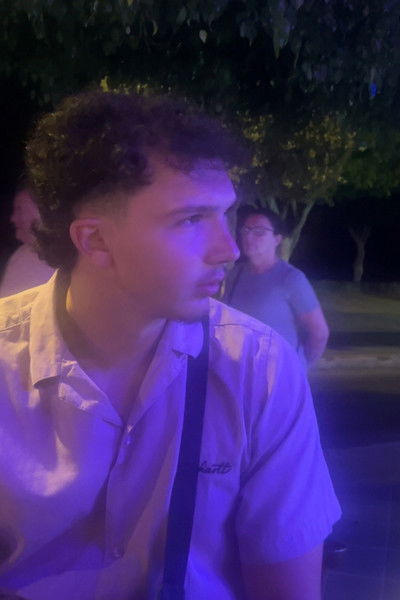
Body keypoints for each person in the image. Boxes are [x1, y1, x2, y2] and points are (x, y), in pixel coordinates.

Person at [0, 91, 340, 600]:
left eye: (225, 215)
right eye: (191, 220)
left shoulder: (259, 368)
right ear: (95, 241)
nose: (228, 249)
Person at [223, 205, 330, 367]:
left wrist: (300, 367)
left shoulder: (291, 279)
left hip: (279, 373)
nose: (249, 236)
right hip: (240, 371)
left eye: (259, 232)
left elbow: (319, 332)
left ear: (277, 239)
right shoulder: (235, 275)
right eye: (245, 230)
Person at [0, 184, 54, 297]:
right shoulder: (22, 253)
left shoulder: (63, 262)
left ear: (41, 211)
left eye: (19, 209)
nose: (13, 218)